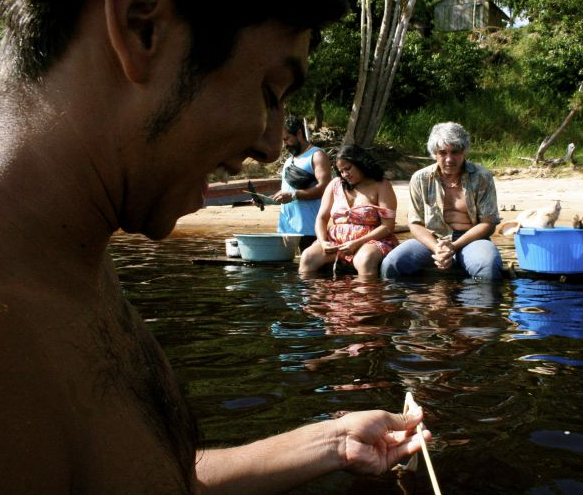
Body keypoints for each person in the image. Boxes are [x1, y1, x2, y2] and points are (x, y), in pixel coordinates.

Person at [0, 1, 430, 493]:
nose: (270, 143)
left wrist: (331, 442)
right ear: (142, 28)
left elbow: (153, 478)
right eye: (269, 90)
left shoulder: (70, 264)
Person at [381, 122, 504, 280]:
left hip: (471, 240)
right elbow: (415, 223)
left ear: (464, 152)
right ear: (434, 153)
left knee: (488, 267)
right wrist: (437, 248)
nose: (449, 159)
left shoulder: (481, 176)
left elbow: (488, 223)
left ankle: (477, 305)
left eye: (455, 152)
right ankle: (412, 304)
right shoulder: (420, 178)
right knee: (391, 264)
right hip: (432, 239)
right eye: (443, 152)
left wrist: (453, 246)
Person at [299, 145, 399, 276]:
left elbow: (388, 226)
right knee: (307, 257)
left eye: (348, 168)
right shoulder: (335, 184)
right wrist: (323, 242)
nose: (345, 174)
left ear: (361, 163)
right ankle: (317, 296)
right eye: (341, 171)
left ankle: (368, 296)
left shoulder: (381, 185)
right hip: (335, 241)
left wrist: (357, 243)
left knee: (365, 260)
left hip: (371, 241)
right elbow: (321, 218)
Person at [271, 115, 331, 251]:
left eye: (286, 139)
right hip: (286, 228)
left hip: (309, 229)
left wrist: (294, 195)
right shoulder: (288, 161)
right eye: (282, 141)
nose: (284, 144)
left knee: (308, 271)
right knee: (288, 271)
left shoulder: (317, 155)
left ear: (299, 133)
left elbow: (325, 189)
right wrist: (264, 200)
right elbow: (286, 192)